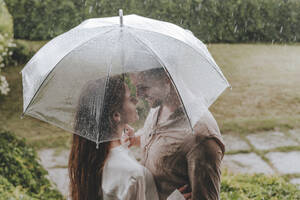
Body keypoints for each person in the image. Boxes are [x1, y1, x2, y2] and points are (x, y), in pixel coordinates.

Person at [68, 75, 189, 200]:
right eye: (130, 99)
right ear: (116, 115)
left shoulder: (88, 158)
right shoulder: (132, 174)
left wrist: (123, 147)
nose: (136, 100)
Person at [129, 68, 225, 200]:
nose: (139, 95)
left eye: (144, 87)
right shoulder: (158, 106)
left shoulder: (200, 136)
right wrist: (137, 138)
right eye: (136, 87)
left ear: (167, 77)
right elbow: (167, 144)